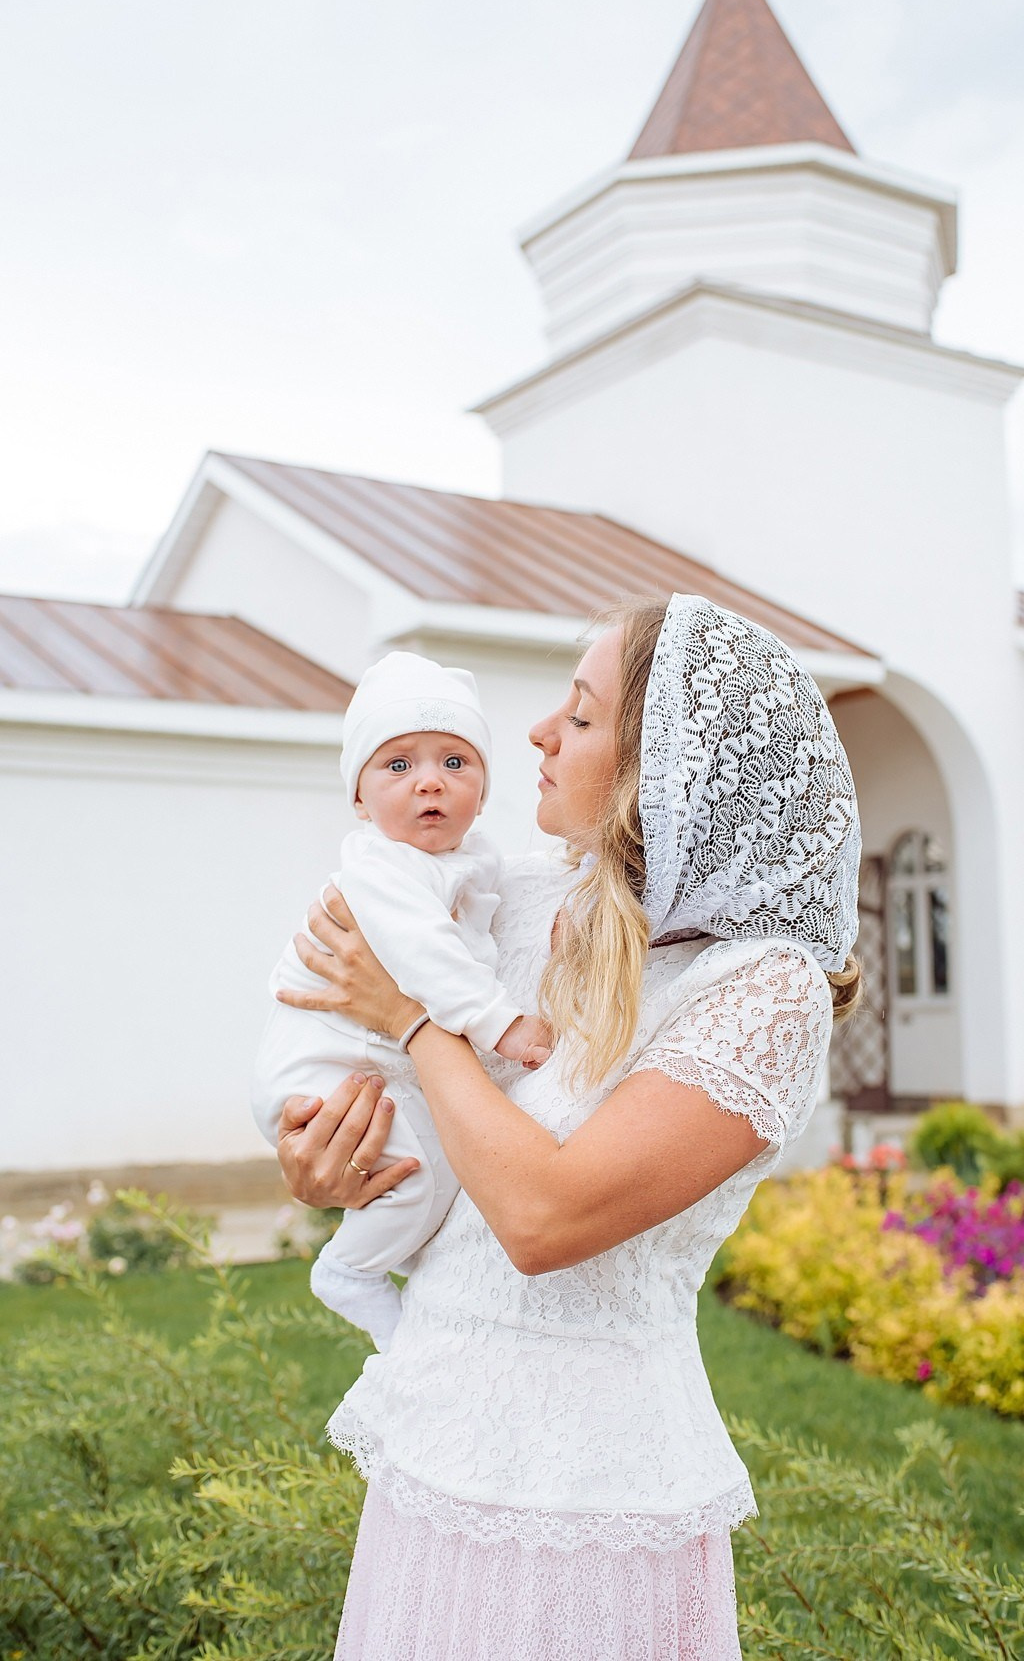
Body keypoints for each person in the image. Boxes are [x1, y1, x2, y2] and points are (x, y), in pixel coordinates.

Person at [275, 593, 862, 1661]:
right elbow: (443, 1119)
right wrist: (333, 1156)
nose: (537, 733)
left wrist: (409, 1017)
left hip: (586, 1502)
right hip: (433, 1450)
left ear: (662, 768)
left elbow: (543, 1218)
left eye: (580, 717)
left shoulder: (759, 988)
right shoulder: (528, 905)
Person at [253, 649, 550, 1351]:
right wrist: (501, 1024)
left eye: (455, 762)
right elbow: (425, 954)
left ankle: (414, 1264)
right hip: (324, 1070)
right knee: (413, 1170)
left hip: (379, 1061)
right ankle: (350, 1272)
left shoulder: (475, 863)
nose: (430, 784)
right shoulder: (381, 868)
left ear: (483, 784)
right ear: (358, 800)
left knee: (437, 1166)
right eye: (398, 766)